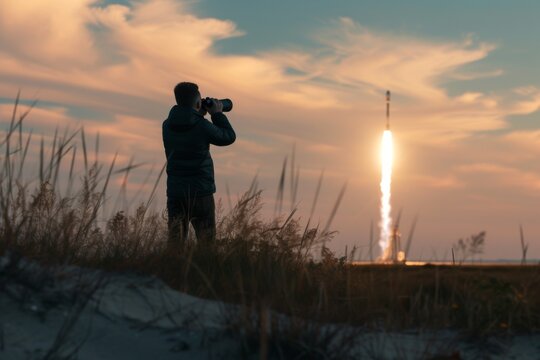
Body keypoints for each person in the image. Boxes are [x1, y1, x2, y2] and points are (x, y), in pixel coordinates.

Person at [162, 82, 236, 248]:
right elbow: (228, 137)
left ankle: (170, 271)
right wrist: (216, 114)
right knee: (206, 243)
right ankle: (203, 270)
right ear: (197, 103)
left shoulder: (167, 125)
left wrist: (197, 113)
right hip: (200, 192)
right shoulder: (202, 126)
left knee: (175, 243)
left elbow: (187, 124)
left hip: (175, 192)